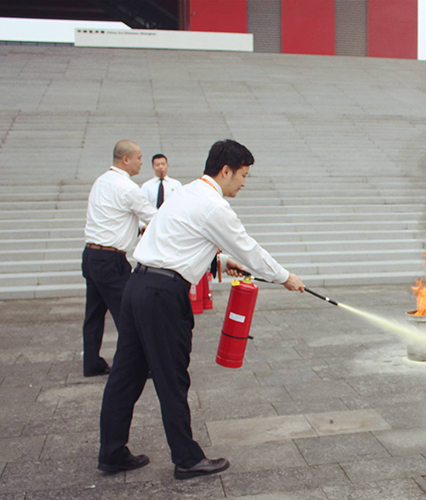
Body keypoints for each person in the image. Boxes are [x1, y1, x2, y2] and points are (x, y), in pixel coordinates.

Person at [97, 139, 305, 479]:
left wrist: (222, 262)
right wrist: (285, 277)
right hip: (163, 296)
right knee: (172, 377)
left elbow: (179, 242)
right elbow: (249, 249)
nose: (243, 183)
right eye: (243, 175)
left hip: (138, 286)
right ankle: (187, 458)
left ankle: (111, 452)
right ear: (226, 171)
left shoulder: (187, 193)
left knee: (125, 375)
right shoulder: (215, 206)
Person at [82, 140, 156, 377]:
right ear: (126, 160)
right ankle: (135, 365)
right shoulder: (128, 188)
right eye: (139, 157)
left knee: (93, 314)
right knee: (129, 314)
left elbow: (113, 218)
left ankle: (92, 362)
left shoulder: (101, 181)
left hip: (92, 255)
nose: (142, 162)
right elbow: (155, 219)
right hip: (111, 261)